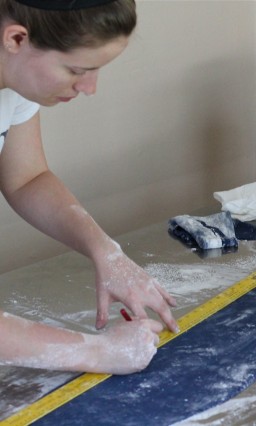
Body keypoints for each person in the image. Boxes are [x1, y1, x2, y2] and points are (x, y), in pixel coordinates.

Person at [0, 0, 178, 375]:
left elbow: (26, 178)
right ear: (16, 38)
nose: (89, 87)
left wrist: (105, 252)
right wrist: (98, 353)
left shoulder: (10, 79)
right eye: (76, 70)